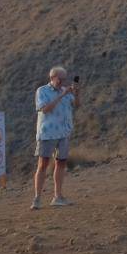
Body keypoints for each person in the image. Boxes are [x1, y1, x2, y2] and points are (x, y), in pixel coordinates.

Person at [32, 65, 79, 209]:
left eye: (65, 79)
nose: (63, 82)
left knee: (61, 163)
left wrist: (77, 93)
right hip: (48, 133)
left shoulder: (66, 91)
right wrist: (61, 95)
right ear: (52, 78)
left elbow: (77, 105)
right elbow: (45, 109)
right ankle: (37, 198)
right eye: (61, 79)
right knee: (43, 164)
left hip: (64, 132)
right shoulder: (42, 91)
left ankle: (57, 196)